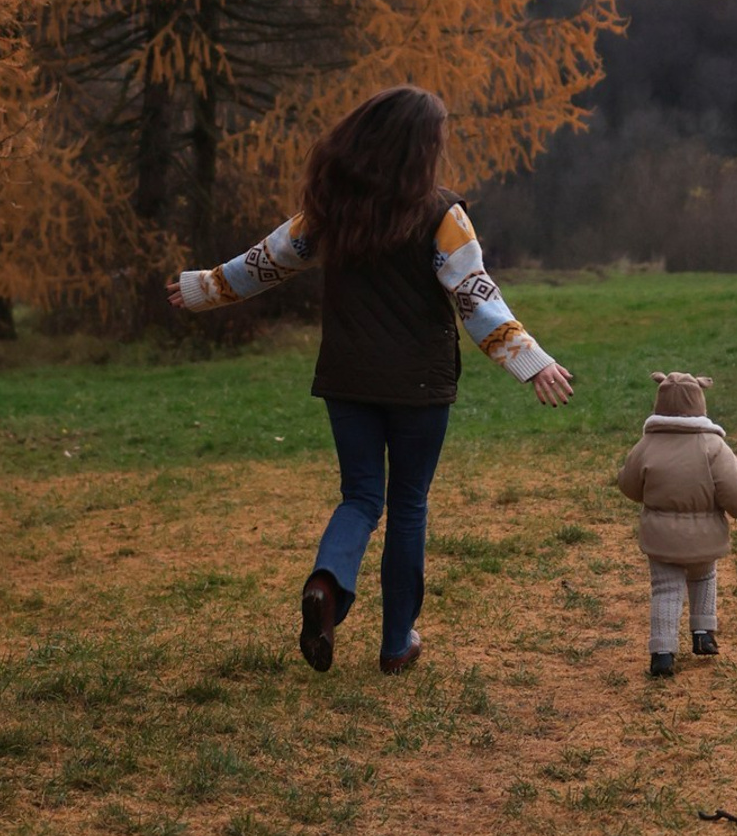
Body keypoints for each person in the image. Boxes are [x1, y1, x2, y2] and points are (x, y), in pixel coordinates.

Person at [167, 86, 574, 674]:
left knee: (360, 497)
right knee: (408, 505)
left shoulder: (332, 210)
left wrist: (204, 287)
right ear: (419, 148)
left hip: (347, 379)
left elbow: (266, 261)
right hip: (419, 387)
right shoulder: (442, 214)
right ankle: (395, 643)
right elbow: (476, 297)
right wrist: (532, 362)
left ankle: (327, 589)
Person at [615, 371, 737, 677]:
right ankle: (703, 633)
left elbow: (629, 485)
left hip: (660, 536)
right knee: (703, 578)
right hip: (705, 533)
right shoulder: (713, 446)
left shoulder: (647, 444)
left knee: (665, 590)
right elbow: (733, 485)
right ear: (700, 401)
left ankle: (662, 653)